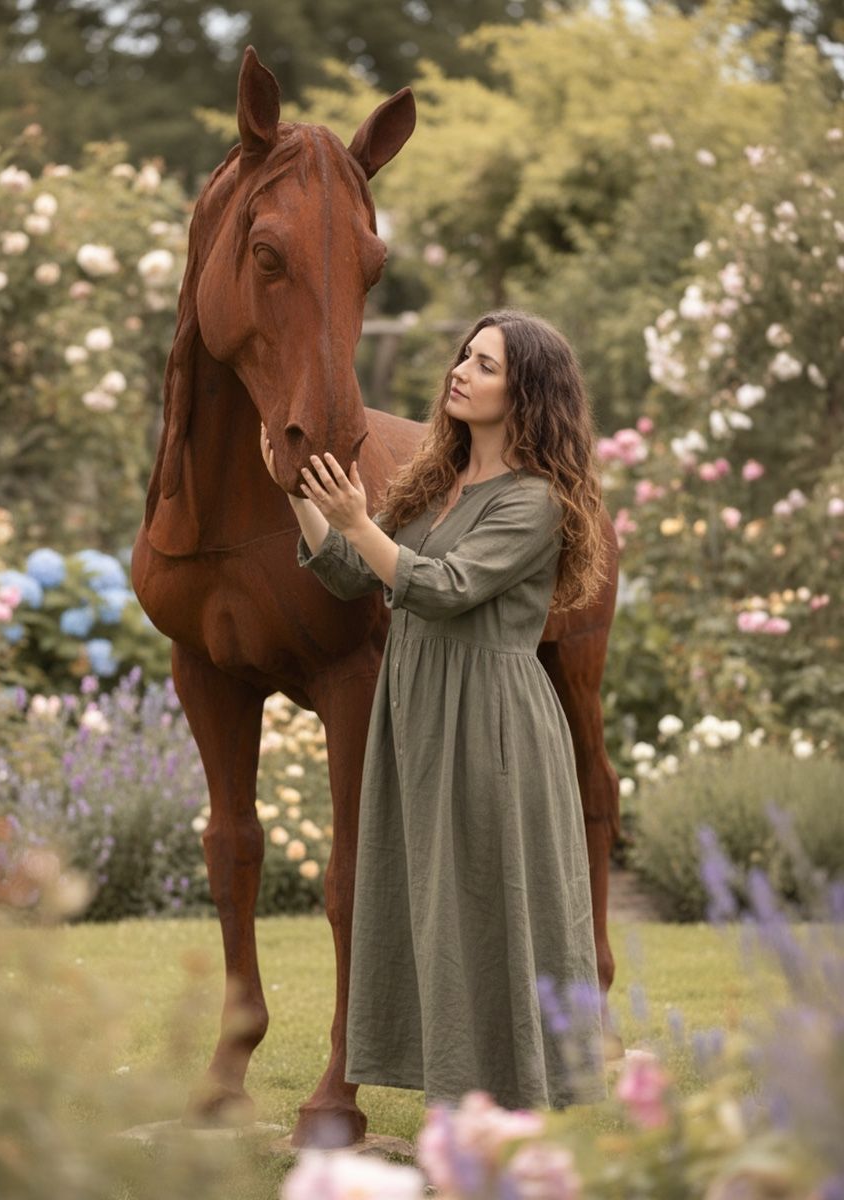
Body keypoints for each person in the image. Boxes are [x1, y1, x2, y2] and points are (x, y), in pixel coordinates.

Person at [260, 309, 608, 1111]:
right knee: (430, 905)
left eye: (485, 365)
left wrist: (356, 520)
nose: (461, 371)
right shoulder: (436, 482)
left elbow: (442, 589)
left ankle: (505, 1101)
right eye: (465, 356)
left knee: (488, 904)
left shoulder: (537, 502)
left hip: (491, 726)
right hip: (418, 718)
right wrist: (301, 499)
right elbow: (355, 574)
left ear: (527, 392)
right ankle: (459, 1100)